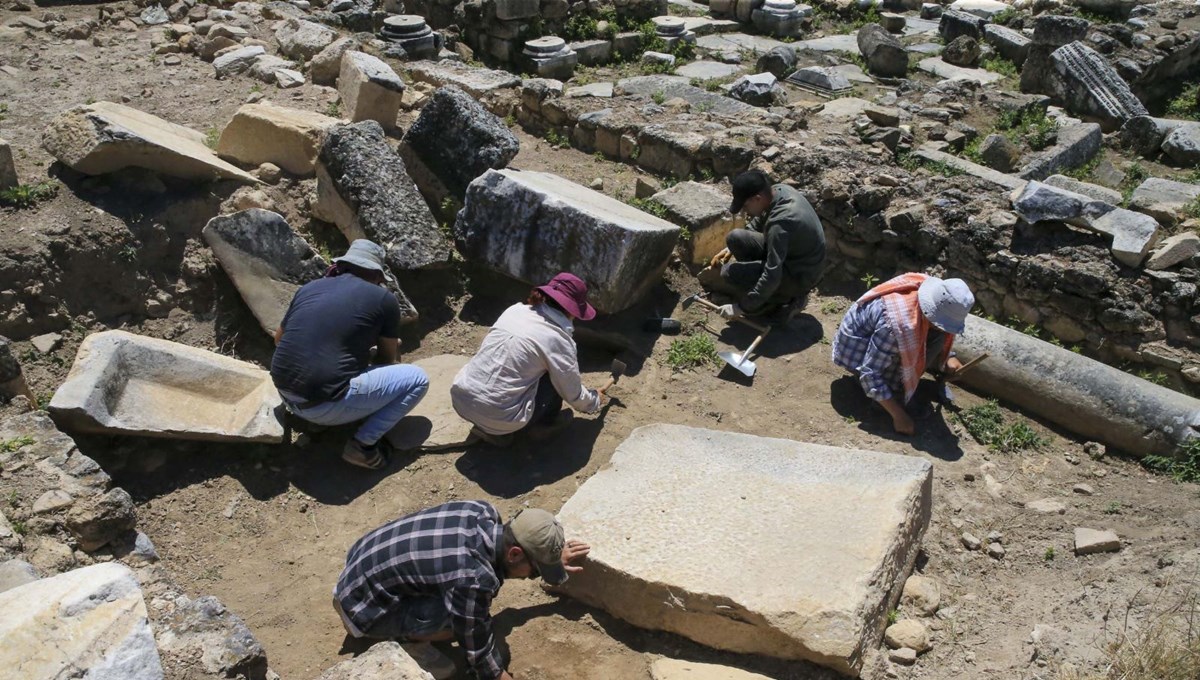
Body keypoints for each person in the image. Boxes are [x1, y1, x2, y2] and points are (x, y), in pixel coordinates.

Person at [332, 500, 590, 680]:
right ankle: (411, 646)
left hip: (357, 570)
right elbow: (476, 644)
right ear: (514, 553)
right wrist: (499, 675)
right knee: (458, 621)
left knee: (457, 595)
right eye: (535, 570)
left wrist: (549, 558)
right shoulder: (471, 579)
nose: (534, 576)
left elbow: (493, 565)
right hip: (363, 610)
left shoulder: (482, 511)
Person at [271, 239, 429, 469]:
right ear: (377, 276)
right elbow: (387, 360)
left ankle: (319, 421)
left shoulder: (310, 288)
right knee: (417, 379)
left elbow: (279, 340)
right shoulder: (384, 299)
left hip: (284, 393)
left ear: (342, 266)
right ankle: (362, 446)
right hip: (322, 406)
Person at [451, 272, 604, 447]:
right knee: (554, 376)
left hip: (461, 399)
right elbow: (573, 394)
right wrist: (594, 401)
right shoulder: (558, 339)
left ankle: (487, 423)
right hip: (501, 417)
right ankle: (538, 426)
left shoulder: (514, 311)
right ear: (572, 310)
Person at [832, 273, 975, 435]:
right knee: (896, 372)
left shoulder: (933, 293)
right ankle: (889, 399)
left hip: (881, 342)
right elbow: (870, 373)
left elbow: (936, 330)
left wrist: (949, 357)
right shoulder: (896, 326)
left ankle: (901, 386)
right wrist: (899, 415)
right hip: (853, 353)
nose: (943, 328)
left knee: (939, 336)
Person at [704, 169, 826, 320]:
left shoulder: (780, 223)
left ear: (757, 198)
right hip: (794, 256)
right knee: (736, 238)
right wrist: (730, 248)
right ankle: (764, 293)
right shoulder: (778, 191)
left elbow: (772, 273)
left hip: (801, 274)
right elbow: (759, 219)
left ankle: (786, 300)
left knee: (729, 273)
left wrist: (741, 307)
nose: (744, 211)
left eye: (745, 206)